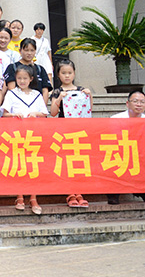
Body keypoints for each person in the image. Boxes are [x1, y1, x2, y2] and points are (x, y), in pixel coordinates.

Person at [1, 64, 48, 215]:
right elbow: (4, 114)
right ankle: (19, 196)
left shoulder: (37, 94)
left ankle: (33, 198)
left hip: (34, 135)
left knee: (33, 166)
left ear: (31, 79)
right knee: (19, 165)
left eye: (25, 78)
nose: (22, 81)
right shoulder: (11, 94)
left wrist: (36, 114)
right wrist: (14, 115)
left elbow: (44, 114)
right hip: (17, 135)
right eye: (19, 78)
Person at [108, 91, 145, 205]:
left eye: (142, 102)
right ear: (127, 103)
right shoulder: (116, 119)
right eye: (135, 101)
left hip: (140, 156)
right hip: (120, 154)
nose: (139, 104)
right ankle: (113, 194)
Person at [49, 59, 92, 208]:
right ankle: (70, 192)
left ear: (74, 73)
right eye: (63, 73)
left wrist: (90, 96)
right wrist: (60, 98)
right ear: (58, 75)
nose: (67, 76)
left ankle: (79, 192)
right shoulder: (57, 91)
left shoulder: (81, 90)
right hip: (64, 131)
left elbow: (89, 110)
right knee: (66, 162)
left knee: (78, 161)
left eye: (70, 73)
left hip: (79, 131)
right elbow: (53, 113)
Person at [3, 38, 52, 103]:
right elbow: (12, 89)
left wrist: (43, 107)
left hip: (37, 105)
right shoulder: (12, 67)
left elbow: (45, 90)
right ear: (20, 51)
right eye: (26, 50)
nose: (29, 53)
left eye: (32, 50)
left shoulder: (40, 69)